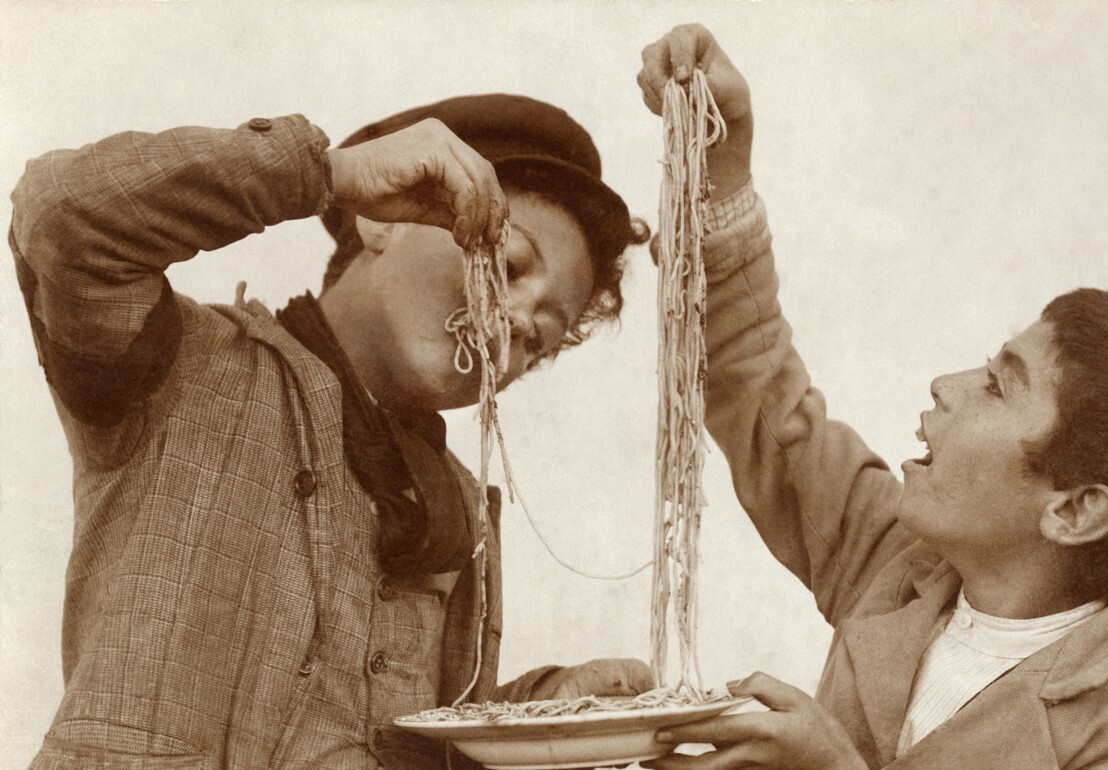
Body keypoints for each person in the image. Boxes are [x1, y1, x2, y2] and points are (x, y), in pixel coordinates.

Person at [634, 25, 1108, 770]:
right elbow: (757, 381)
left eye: (999, 386)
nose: (947, 385)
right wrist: (722, 163)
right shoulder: (896, 564)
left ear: (1074, 510)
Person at [9, 94, 653, 769]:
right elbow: (60, 214)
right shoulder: (179, 365)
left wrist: (549, 705)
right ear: (381, 221)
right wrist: (328, 173)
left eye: (541, 337)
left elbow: (429, 732)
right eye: (510, 265)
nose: (515, 321)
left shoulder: (458, 504)